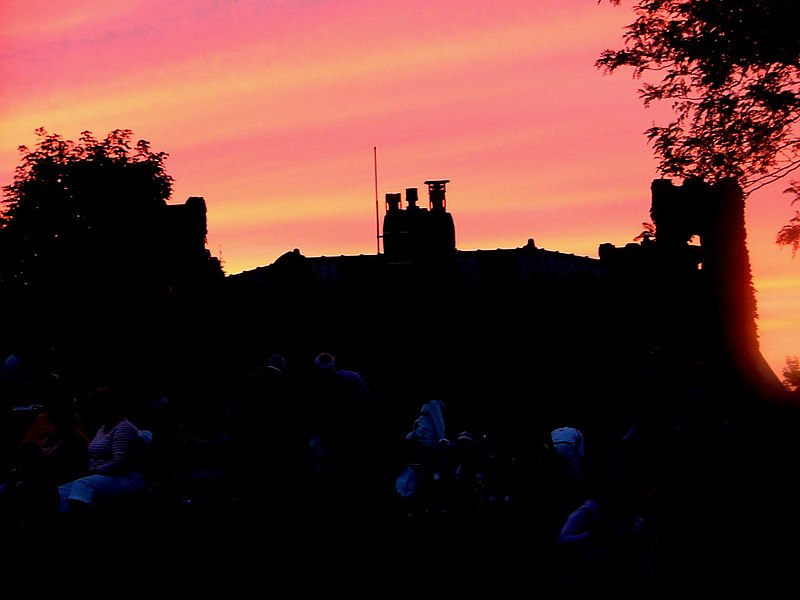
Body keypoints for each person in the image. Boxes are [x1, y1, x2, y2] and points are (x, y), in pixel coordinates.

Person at [56, 385, 152, 517]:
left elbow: (120, 462)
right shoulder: (102, 429)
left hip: (126, 477)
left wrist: (95, 470)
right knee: (61, 492)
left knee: (82, 485)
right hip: (103, 475)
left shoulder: (123, 428)